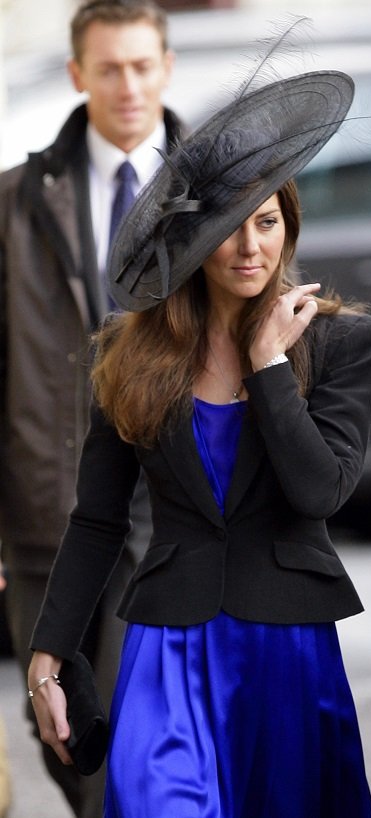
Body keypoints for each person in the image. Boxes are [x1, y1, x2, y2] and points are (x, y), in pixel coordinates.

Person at [25, 61, 371, 818]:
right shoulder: (131, 354)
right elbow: (97, 518)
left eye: (267, 221)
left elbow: (320, 492)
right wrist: (50, 655)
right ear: (192, 238)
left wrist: (269, 369)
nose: (250, 247)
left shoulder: (342, 342)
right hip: (167, 648)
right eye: (228, 227)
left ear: (288, 224)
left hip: (287, 650)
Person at [0, 2, 182, 815]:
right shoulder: (14, 206)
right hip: (53, 521)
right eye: (109, 67)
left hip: (182, 529)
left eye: (142, 65)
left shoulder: (222, 196)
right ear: (78, 75)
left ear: (167, 66)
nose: (128, 85)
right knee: (74, 749)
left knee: (156, 762)